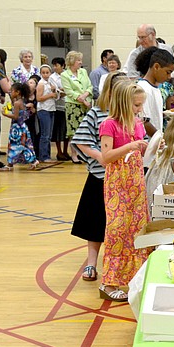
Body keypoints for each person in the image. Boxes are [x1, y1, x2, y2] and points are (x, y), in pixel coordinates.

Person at [71, 71, 128, 283]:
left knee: (122, 224)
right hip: (100, 177)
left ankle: (120, 265)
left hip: (124, 180)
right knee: (95, 224)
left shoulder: (131, 114)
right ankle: (91, 264)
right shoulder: (97, 113)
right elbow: (81, 141)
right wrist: (99, 156)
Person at [98, 82, 151, 301]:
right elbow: (106, 157)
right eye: (136, 105)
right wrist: (129, 147)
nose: (139, 109)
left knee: (138, 228)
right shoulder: (109, 124)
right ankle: (109, 282)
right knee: (117, 229)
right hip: (117, 182)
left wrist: (146, 146)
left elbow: (139, 148)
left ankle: (135, 277)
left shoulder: (137, 123)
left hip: (136, 181)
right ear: (124, 103)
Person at [60, 50, 93, 163]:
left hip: (86, 104)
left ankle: (84, 154)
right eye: (78, 60)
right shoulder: (65, 75)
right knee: (74, 131)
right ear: (72, 61)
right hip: (73, 106)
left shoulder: (83, 71)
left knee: (85, 130)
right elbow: (69, 92)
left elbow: (89, 86)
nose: (80, 62)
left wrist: (85, 96)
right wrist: (82, 99)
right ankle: (74, 155)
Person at [134, 46, 174, 135]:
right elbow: (144, 121)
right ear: (156, 67)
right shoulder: (143, 88)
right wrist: (160, 138)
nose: (169, 77)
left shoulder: (156, 89)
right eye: (168, 72)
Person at [2, 81, 39, 170]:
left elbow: (15, 116)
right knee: (25, 145)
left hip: (17, 128)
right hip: (23, 127)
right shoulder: (22, 101)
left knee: (14, 145)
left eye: (12, 91)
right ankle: (33, 161)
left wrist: (5, 114)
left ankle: (10, 164)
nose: (10, 93)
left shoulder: (17, 103)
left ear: (17, 92)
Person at [35, 64, 57, 162]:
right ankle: (43, 156)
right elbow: (38, 98)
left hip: (51, 109)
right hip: (44, 110)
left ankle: (47, 154)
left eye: (47, 72)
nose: (45, 74)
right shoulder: (41, 84)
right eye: (43, 73)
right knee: (45, 134)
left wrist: (54, 92)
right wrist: (50, 95)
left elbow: (55, 95)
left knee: (49, 135)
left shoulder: (51, 83)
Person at [49, 57, 69, 160]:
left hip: (68, 105)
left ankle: (66, 151)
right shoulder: (52, 77)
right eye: (54, 65)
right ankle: (59, 152)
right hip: (58, 106)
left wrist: (64, 90)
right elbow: (57, 92)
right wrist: (64, 91)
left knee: (66, 130)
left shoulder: (67, 75)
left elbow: (70, 88)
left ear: (63, 66)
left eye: (56, 65)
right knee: (58, 130)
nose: (54, 67)